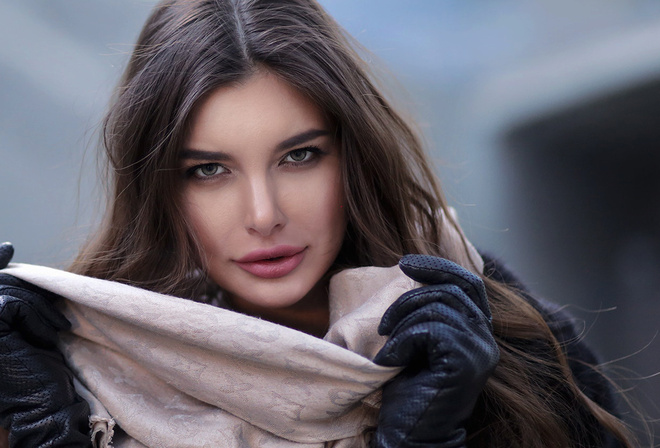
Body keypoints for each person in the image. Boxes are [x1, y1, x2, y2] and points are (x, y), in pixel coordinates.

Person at [0, 0, 639, 447]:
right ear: (159, 188)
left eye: (299, 156)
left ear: (351, 156)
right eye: (208, 171)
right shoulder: (90, 369)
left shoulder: (498, 337)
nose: (263, 215)